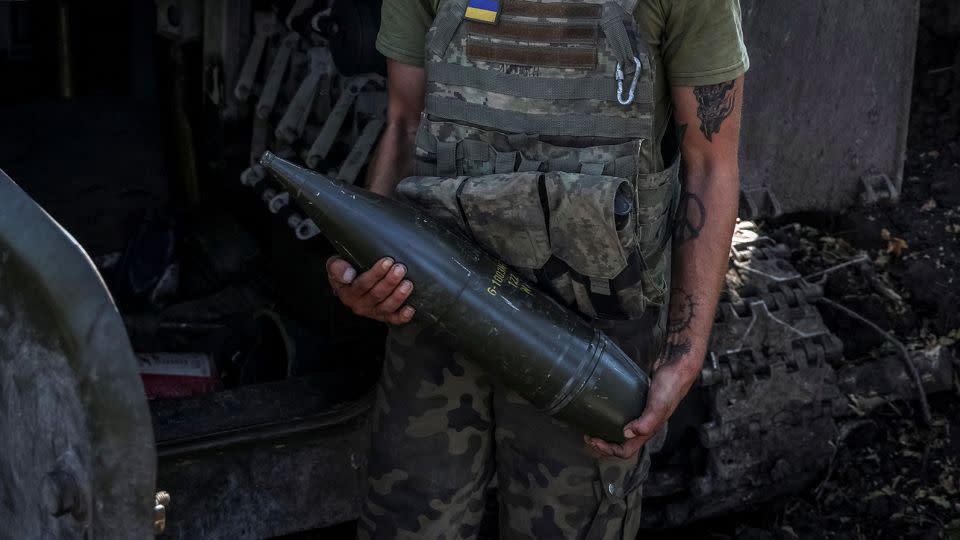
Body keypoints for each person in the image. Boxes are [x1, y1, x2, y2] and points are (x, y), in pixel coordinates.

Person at [327, 0, 748, 537]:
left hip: (593, 324)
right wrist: (366, 264)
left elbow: (711, 162)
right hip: (439, 296)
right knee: (410, 519)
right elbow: (405, 123)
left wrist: (683, 357)